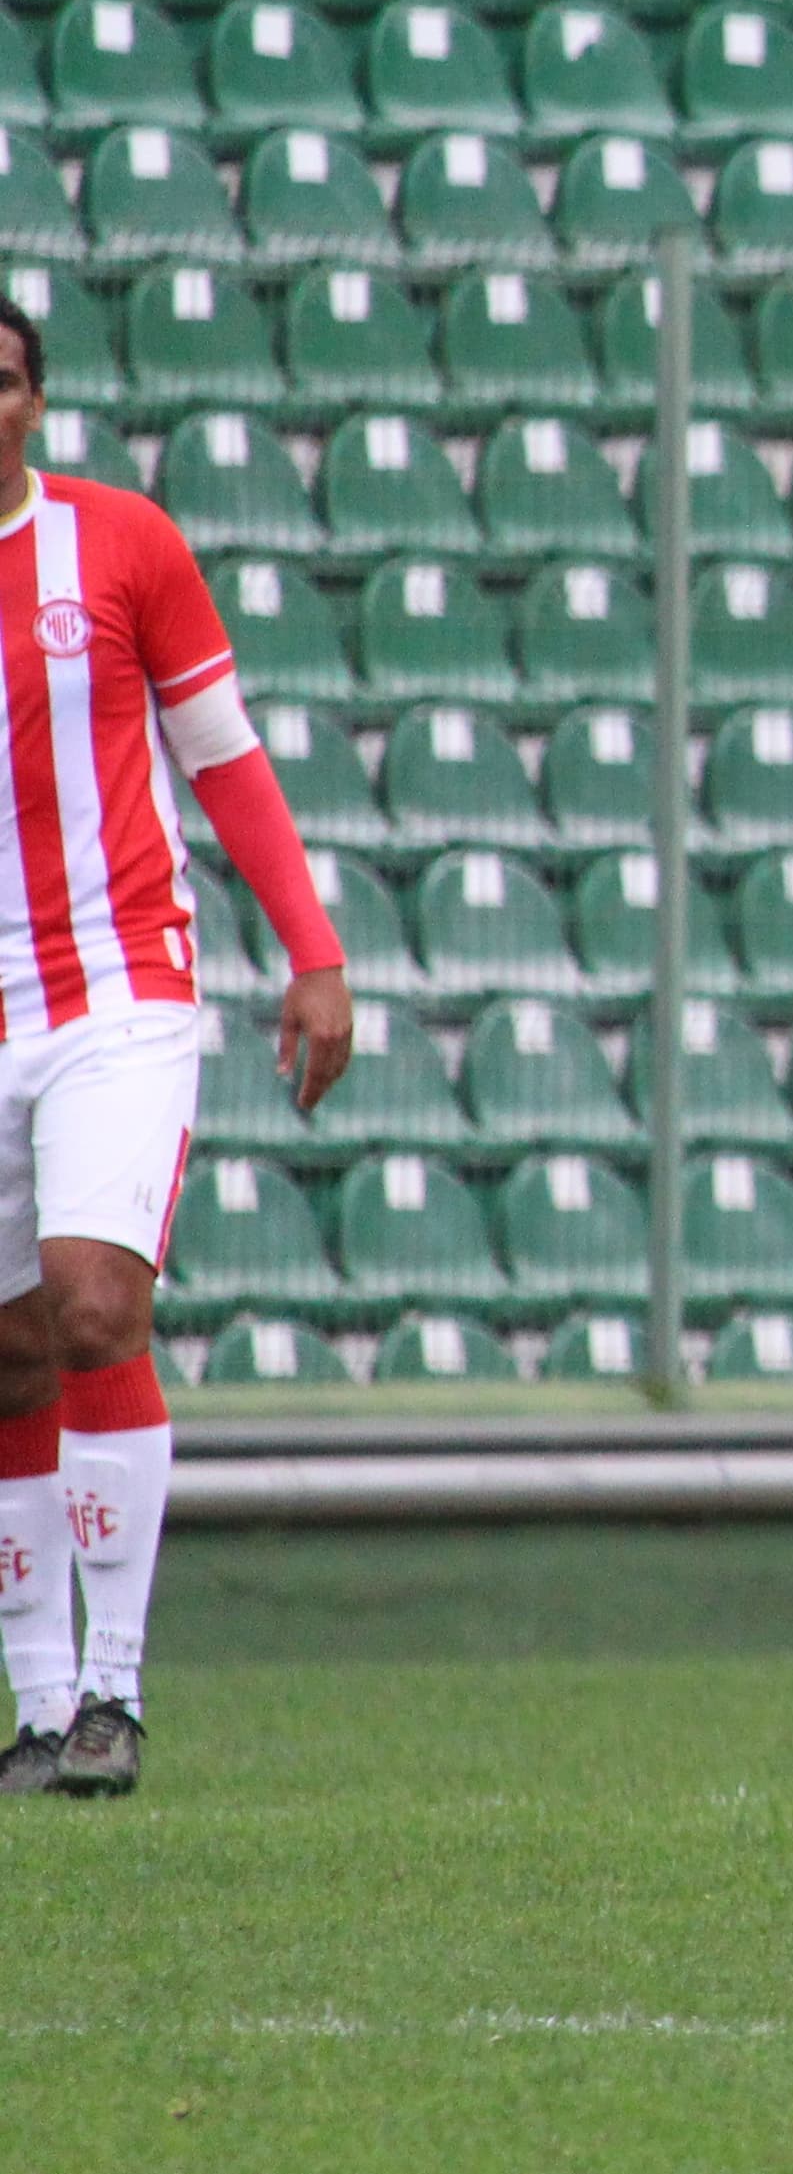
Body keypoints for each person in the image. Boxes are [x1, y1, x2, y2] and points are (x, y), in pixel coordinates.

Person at [0, 297, 353, 1801]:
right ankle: (31, 1703)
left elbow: (225, 757)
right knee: (7, 1347)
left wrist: (315, 952)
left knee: (91, 1303)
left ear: (35, 400)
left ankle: (113, 1687)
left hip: (118, 992)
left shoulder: (121, 545)